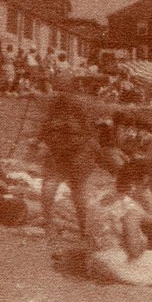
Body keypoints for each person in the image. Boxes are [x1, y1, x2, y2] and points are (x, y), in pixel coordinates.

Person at [86, 158, 152, 287]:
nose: (145, 191)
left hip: (94, 261)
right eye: (144, 186)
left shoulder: (100, 196)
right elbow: (134, 251)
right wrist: (144, 241)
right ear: (133, 186)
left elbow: (149, 219)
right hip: (116, 265)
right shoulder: (130, 208)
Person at [37, 94, 100, 239]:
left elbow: (92, 142)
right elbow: (43, 137)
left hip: (72, 155)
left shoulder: (63, 117)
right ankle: (78, 228)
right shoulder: (64, 117)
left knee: (69, 191)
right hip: (66, 156)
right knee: (69, 191)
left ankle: (59, 226)